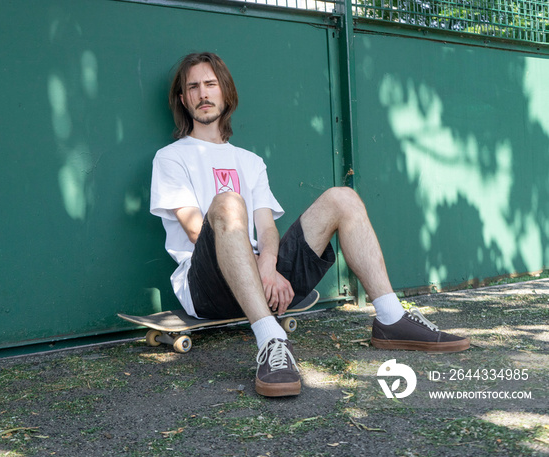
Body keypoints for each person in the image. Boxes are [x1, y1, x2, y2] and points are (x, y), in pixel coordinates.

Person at [150, 52, 469, 398]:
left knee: (342, 198)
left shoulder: (250, 161)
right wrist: (261, 270)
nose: (202, 94)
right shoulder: (171, 157)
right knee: (228, 201)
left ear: (225, 92)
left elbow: (266, 227)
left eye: (210, 84)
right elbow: (198, 233)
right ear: (183, 100)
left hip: (267, 279)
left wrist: (268, 267)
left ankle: (391, 318)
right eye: (193, 87)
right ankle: (271, 342)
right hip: (210, 286)